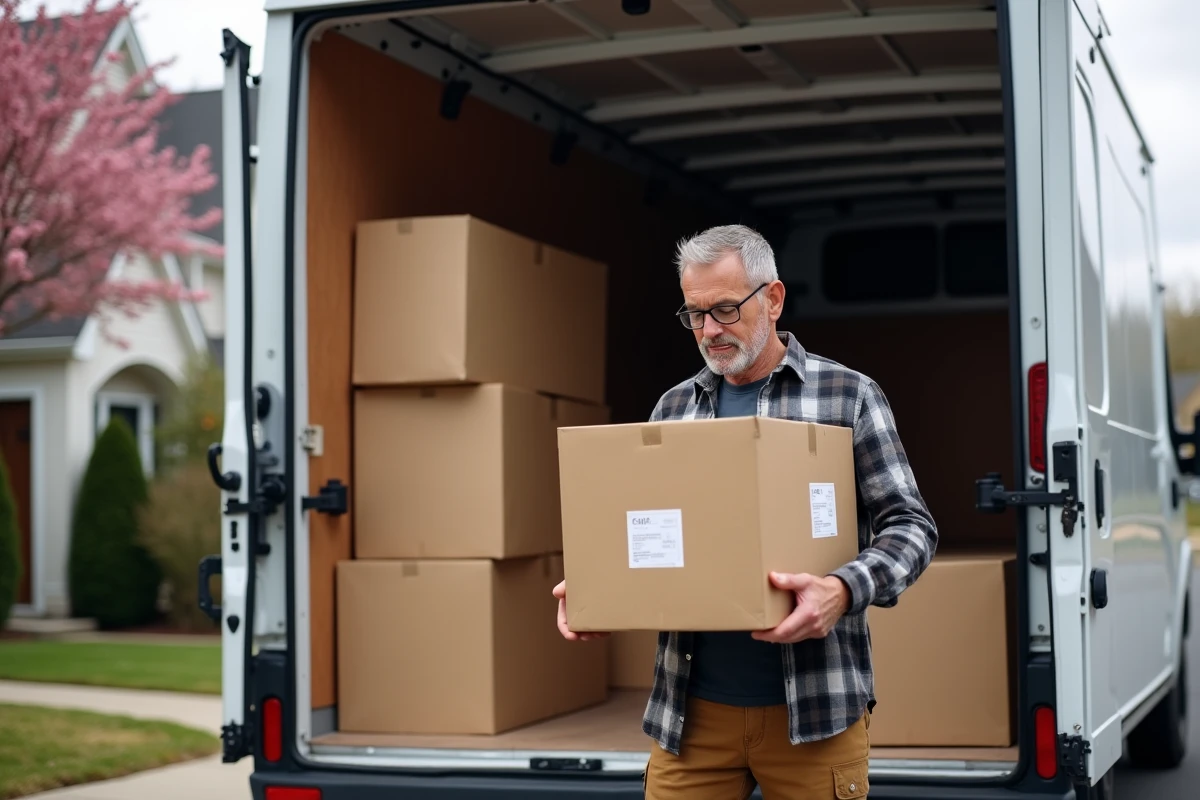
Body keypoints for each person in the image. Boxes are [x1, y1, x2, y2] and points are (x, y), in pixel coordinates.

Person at [552, 224, 938, 799]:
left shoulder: (847, 395)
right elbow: (652, 532)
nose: (710, 330)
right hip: (690, 716)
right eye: (695, 314)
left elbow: (911, 526)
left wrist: (843, 588)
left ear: (773, 298)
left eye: (726, 309)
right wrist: (601, 588)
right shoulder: (673, 407)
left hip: (814, 712)